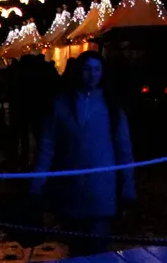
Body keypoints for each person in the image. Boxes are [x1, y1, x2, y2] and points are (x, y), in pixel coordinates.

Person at [32, 54, 134, 245]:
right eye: (87, 69)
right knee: (75, 248)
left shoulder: (112, 107)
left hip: (102, 187)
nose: (92, 75)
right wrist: (38, 179)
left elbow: (123, 148)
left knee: (98, 247)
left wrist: (128, 183)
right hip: (71, 187)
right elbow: (47, 145)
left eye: (97, 69)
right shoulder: (61, 105)